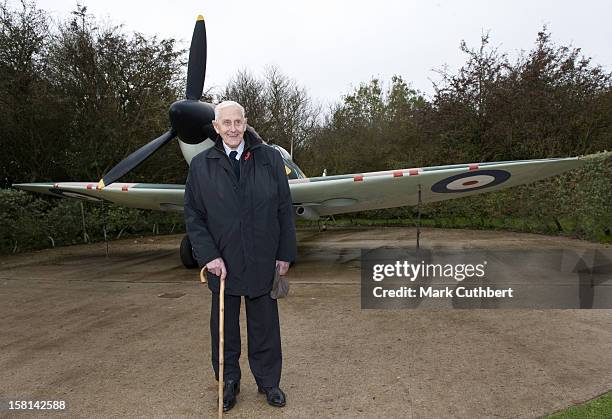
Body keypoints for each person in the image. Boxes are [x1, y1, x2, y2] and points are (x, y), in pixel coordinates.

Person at [183, 100, 297, 412]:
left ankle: (269, 382)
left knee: (265, 328)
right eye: (226, 123)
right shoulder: (201, 166)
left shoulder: (269, 159)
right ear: (216, 128)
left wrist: (285, 253)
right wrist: (209, 256)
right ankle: (228, 382)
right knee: (224, 331)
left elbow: (284, 209)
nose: (233, 128)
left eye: (238, 122)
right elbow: (194, 217)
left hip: (263, 258)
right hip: (223, 264)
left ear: (245, 123)